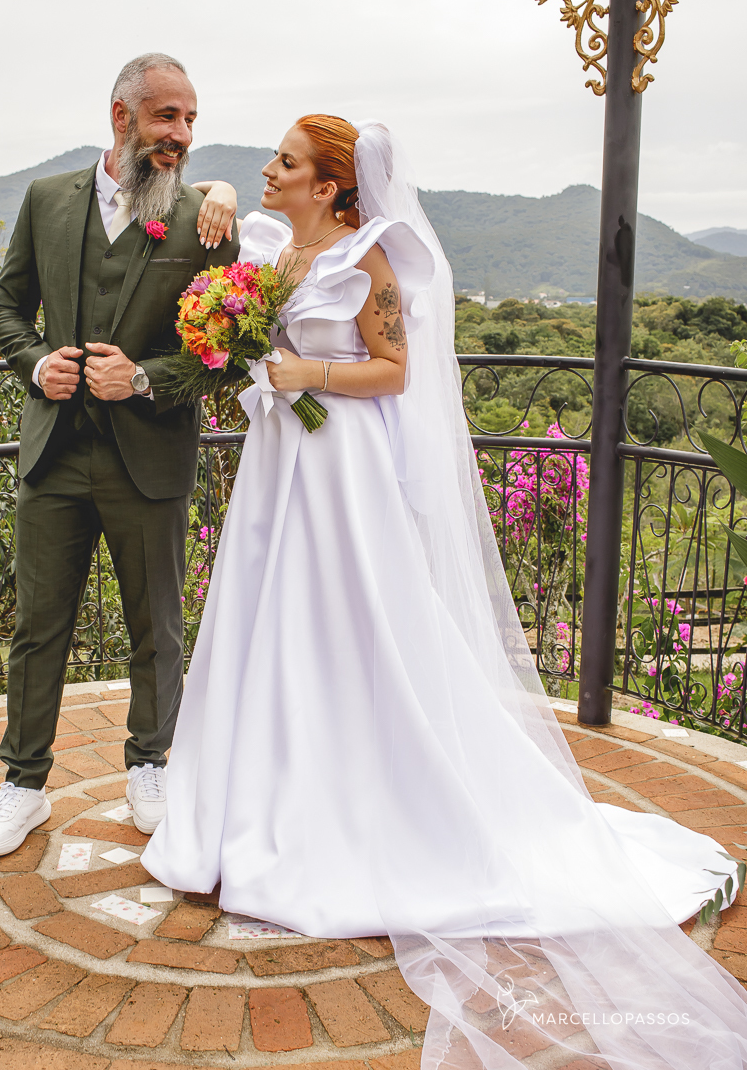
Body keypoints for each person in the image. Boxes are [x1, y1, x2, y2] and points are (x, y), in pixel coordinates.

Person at [143, 115, 747, 1069]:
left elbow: (396, 371)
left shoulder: (370, 259)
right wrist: (245, 341)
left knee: (350, 629)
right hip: (277, 461)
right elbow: (210, 236)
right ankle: (250, 805)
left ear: (331, 185)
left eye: (286, 162)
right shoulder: (272, 254)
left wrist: (305, 372)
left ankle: (358, 806)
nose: (268, 169)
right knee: (268, 625)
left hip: (339, 470)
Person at [0, 53, 240, 855]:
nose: (181, 134)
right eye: (167, 116)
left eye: (190, 119)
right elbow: (6, 306)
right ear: (122, 116)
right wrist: (35, 363)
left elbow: (224, 351)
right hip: (54, 454)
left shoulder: (204, 220)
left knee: (157, 625)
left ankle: (151, 764)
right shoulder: (46, 199)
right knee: (37, 627)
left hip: (149, 459)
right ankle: (23, 783)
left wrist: (144, 378)